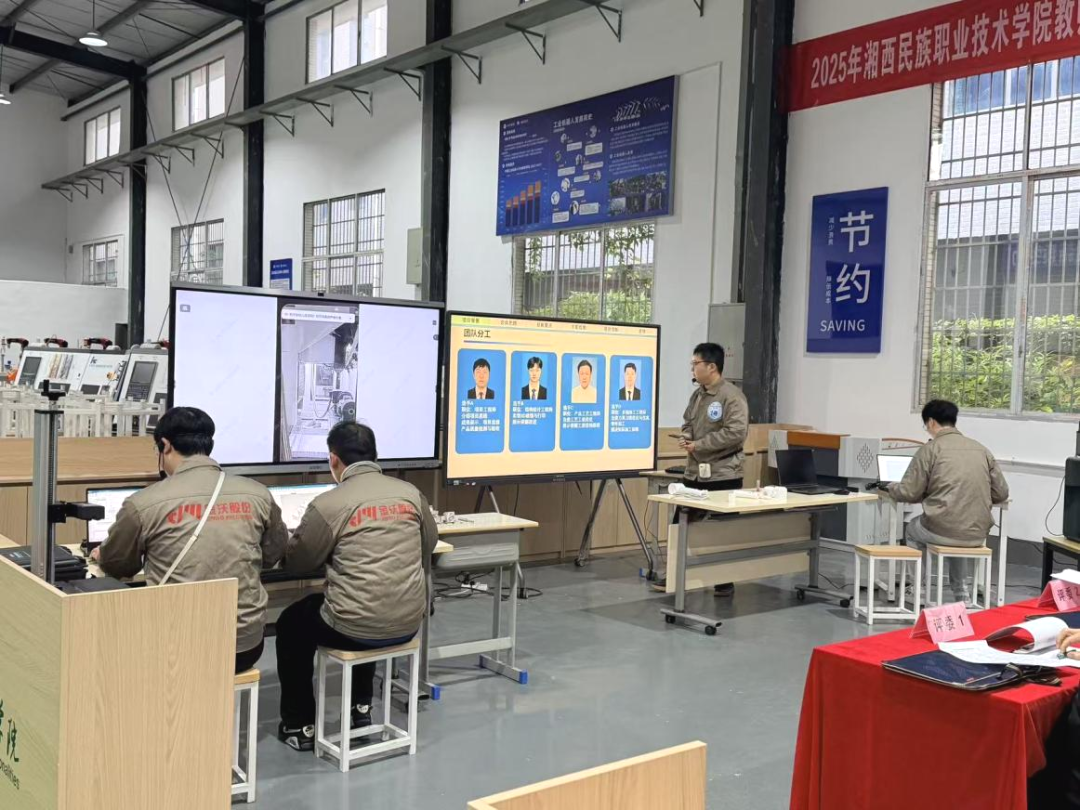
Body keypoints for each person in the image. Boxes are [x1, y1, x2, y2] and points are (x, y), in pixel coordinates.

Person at [275, 421, 438, 752]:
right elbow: (429, 543)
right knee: (370, 603)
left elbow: (299, 563)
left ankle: (298, 724)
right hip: (409, 622)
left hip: (353, 625)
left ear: (333, 459)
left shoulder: (329, 503)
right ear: (375, 455)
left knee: (292, 623)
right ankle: (361, 709)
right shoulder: (411, 494)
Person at [98, 407, 287, 674]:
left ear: (165, 445)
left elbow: (119, 566)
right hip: (245, 646)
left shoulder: (143, 503)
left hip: (176, 647)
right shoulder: (258, 494)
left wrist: (101, 554)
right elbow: (273, 553)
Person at [887, 399, 1009, 604]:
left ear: (931, 422)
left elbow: (909, 492)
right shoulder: (981, 449)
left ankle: (918, 589)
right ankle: (961, 592)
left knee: (913, 530)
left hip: (941, 530)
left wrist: (892, 488)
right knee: (958, 524)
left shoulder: (930, 450)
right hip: (977, 534)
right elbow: (1002, 493)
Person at [667, 342, 748, 597]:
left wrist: (699, 445)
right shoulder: (698, 395)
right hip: (695, 472)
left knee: (720, 531)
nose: (692, 368)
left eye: (696, 363)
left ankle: (723, 581)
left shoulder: (731, 396)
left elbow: (736, 433)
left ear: (711, 367)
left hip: (723, 474)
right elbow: (688, 422)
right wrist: (686, 437)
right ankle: (674, 575)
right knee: (680, 525)